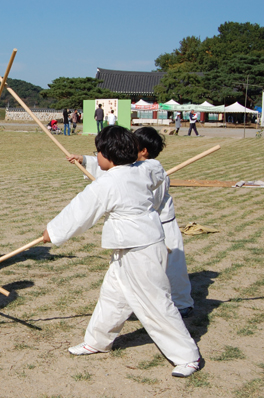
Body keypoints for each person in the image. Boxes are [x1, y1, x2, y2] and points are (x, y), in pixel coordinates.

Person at [45, 125, 201, 378]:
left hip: (141, 251)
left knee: (155, 303)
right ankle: (97, 341)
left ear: (107, 155)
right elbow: (156, 169)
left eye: (97, 153)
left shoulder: (108, 184)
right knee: (113, 297)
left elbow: (80, 212)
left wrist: (52, 232)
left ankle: (187, 355)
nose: (96, 157)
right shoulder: (144, 169)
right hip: (130, 247)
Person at [134, 127, 194, 317]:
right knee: (145, 268)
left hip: (164, 227)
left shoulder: (155, 173)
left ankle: (182, 303)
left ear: (144, 150)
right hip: (148, 226)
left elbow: (151, 203)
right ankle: (143, 304)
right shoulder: (135, 168)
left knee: (173, 267)